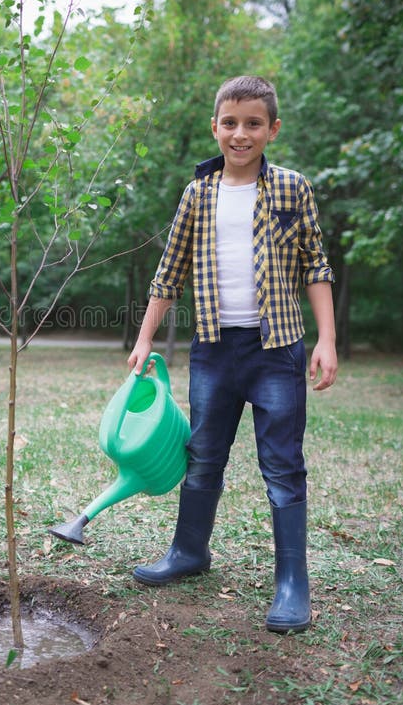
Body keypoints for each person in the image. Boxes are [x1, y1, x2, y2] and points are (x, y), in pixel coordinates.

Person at [127, 75, 337, 633]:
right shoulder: (198, 194)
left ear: (272, 129)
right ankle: (189, 551)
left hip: (278, 350)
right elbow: (169, 272)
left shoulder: (294, 188)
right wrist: (146, 337)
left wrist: (328, 339)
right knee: (203, 455)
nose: (240, 134)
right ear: (214, 126)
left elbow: (316, 265)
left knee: (283, 466)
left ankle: (292, 582)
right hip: (216, 352)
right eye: (229, 123)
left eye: (252, 124)